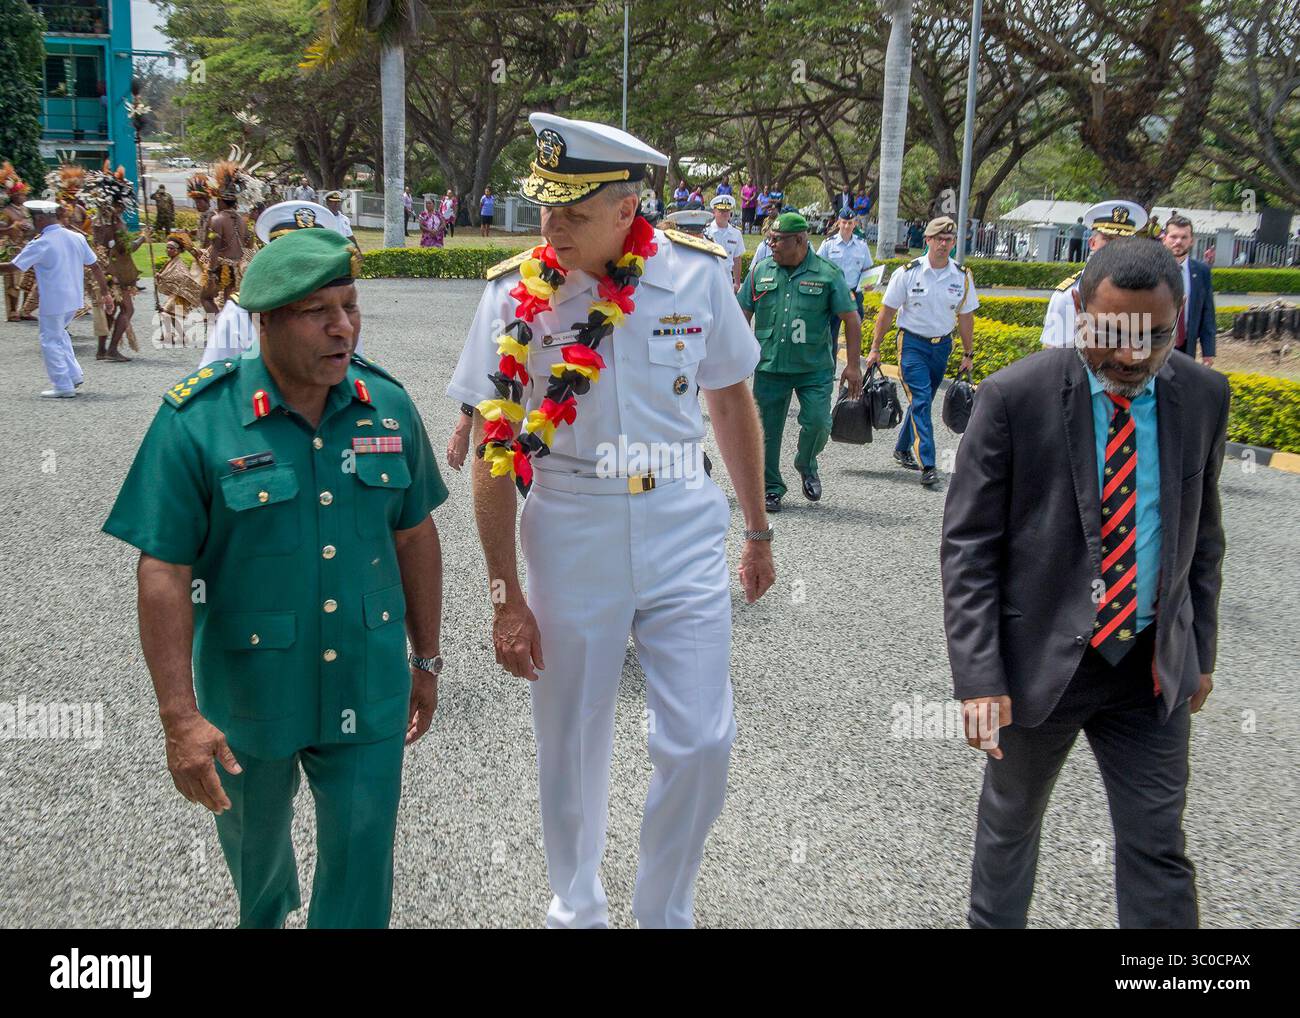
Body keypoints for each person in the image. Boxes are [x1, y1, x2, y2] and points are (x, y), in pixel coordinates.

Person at [447, 111, 774, 929]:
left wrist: (760, 529)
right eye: (544, 209)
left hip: (681, 519)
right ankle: (577, 906)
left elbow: (730, 400)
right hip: (570, 521)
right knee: (571, 733)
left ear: (629, 208)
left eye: (572, 213)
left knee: (701, 740)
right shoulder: (512, 294)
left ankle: (664, 911)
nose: (549, 228)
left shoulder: (698, 276)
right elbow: (494, 453)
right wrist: (503, 595)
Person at [103, 228, 448, 928]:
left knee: (361, 856)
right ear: (265, 320)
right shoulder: (198, 421)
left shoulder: (388, 406)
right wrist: (179, 717)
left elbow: (414, 533)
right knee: (253, 850)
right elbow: (164, 570)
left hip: (366, 676)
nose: (342, 327)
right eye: (319, 311)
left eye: (350, 306)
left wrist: (428, 656)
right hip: (251, 692)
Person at [942, 236, 1228, 929]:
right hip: (1038, 667)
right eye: (1112, 335)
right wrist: (980, 677)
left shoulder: (1202, 395)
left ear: (1179, 320)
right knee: (1010, 830)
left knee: (1158, 844)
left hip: (1149, 668)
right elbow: (969, 548)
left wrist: (1201, 654)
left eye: (1155, 337)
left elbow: (1204, 538)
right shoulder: (1016, 397)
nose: (1132, 356)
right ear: (1078, 310)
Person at [738, 211, 863, 512]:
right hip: (770, 366)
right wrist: (738, 357)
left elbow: (852, 319)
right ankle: (771, 488)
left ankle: (806, 462)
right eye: (770, 239)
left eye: (778, 240)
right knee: (766, 431)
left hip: (814, 368)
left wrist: (854, 365)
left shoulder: (827, 273)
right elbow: (742, 313)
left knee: (819, 422)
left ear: (800, 240)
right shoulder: (760, 271)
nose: (772, 245)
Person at [866, 215, 978, 489]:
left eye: (948, 239)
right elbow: (887, 312)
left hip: (942, 346)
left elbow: (965, 316)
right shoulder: (908, 273)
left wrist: (968, 353)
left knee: (922, 399)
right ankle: (928, 464)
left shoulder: (961, 276)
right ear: (926, 240)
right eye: (938, 239)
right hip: (912, 344)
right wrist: (875, 348)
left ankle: (902, 448)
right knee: (922, 400)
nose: (943, 244)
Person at [197, 199, 364, 369]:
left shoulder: (341, 309)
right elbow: (213, 381)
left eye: (312, 253)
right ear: (274, 257)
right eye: (290, 255)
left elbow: (353, 370)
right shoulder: (242, 311)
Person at [0, 200, 114, 397]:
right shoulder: (76, 237)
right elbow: (95, 266)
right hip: (74, 298)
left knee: (49, 340)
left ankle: (62, 385)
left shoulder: (42, 242)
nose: (33, 223)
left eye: (35, 219)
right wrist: (105, 293)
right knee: (59, 335)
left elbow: (14, 267)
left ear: (42, 218)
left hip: (54, 299)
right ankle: (74, 374)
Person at [1041, 200, 1147, 349]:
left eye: (1124, 240)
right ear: (1092, 243)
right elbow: (1053, 355)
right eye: (1108, 239)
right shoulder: (1068, 295)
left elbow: (1145, 351)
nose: (1116, 246)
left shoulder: (1145, 292)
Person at [83, 162, 147, 362]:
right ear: (117, 203)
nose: (122, 207)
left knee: (110, 310)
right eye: (121, 204)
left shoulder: (97, 221)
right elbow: (126, 248)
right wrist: (144, 237)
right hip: (117, 273)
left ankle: (102, 349)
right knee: (127, 309)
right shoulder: (116, 222)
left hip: (104, 271)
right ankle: (111, 349)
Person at [1161, 214, 1216, 367]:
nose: (1178, 241)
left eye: (1184, 237)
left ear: (1191, 240)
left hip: (1187, 344)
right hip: (1156, 344)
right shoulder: (1152, 268)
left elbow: (1207, 312)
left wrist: (1208, 351)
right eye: (1174, 236)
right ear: (1164, 238)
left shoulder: (1202, 271)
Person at [201, 164, 248, 313]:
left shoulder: (217, 219)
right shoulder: (242, 220)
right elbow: (248, 243)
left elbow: (215, 247)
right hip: (239, 268)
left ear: (220, 200)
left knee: (205, 298)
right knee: (230, 303)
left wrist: (211, 272)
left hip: (223, 267)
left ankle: (219, 329)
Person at [817, 206, 875, 322]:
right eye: (844, 222)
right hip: (833, 292)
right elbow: (818, 266)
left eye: (850, 223)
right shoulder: (828, 244)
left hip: (854, 292)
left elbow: (867, 269)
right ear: (838, 223)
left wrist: (869, 284)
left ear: (855, 224)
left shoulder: (862, 245)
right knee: (832, 330)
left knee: (856, 328)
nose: (847, 226)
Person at [155, 231, 204, 347]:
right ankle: (176, 336)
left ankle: (176, 336)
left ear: (177, 250)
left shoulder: (179, 264)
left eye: (171, 248)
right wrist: (160, 277)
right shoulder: (170, 262)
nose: (168, 250)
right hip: (176, 293)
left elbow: (181, 277)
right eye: (167, 248)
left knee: (166, 314)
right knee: (169, 315)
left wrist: (162, 277)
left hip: (181, 294)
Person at [0, 162, 31, 322]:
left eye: (24, 194)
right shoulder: (5, 212)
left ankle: (25, 309)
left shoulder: (25, 210)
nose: (23, 197)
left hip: (25, 246)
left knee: (27, 279)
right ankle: (12, 311)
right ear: (13, 196)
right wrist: (13, 226)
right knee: (12, 280)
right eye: (20, 195)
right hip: (12, 248)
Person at [704, 193, 746, 291]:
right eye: (721, 210)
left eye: (727, 210)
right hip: (709, 277)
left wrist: (737, 283)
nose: (725, 213)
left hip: (727, 277)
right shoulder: (706, 231)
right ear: (714, 211)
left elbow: (737, 259)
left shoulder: (736, 233)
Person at [325, 191, 363, 260]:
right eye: (333, 202)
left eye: (338, 202)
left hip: (343, 252)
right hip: (330, 252)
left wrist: (358, 251)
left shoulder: (345, 219)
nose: (336, 204)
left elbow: (350, 237)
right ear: (327, 203)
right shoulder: (323, 218)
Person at [188, 173, 214, 249]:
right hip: (203, 250)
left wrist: (208, 240)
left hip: (210, 252)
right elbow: (202, 230)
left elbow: (215, 234)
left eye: (199, 202)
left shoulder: (213, 216)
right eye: (196, 202)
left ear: (207, 202)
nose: (197, 205)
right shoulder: (203, 215)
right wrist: (191, 232)